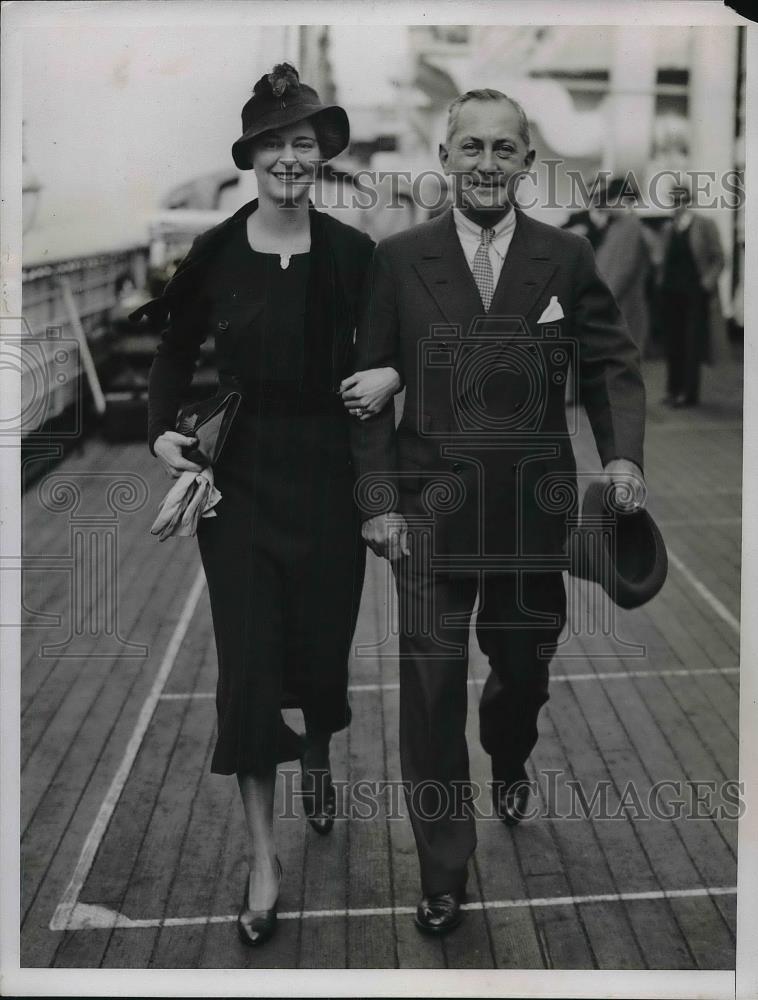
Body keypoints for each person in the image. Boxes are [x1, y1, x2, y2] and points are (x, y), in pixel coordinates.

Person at [350, 88, 646, 936]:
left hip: (531, 515)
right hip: (428, 519)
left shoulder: (567, 256)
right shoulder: (398, 258)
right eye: (470, 148)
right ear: (444, 158)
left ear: (526, 161)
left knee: (523, 673)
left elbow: (611, 364)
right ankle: (445, 869)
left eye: (503, 150)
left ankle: (510, 751)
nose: (486, 164)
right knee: (432, 690)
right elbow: (367, 389)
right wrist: (378, 505)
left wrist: (621, 453)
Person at [142, 63, 400, 948]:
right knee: (249, 667)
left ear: (319, 157)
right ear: (251, 155)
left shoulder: (354, 255)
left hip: (330, 477)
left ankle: (320, 742)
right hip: (242, 481)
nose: (291, 157)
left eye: (305, 142)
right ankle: (263, 858)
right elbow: (173, 354)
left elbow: (388, 356)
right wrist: (158, 433)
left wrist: (389, 383)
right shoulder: (213, 252)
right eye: (275, 143)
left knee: (319, 646)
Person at [658, 183, 725, 407]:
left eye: (680, 200)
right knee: (673, 342)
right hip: (671, 294)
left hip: (695, 294)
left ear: (688, 201)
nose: (676, 204)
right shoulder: (669, 229)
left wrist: (707, 283)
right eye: (673, 200)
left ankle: (688, 393)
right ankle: (673, 389)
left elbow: (719, 257)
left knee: (691, 343)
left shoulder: (704, 225)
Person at [592, 177, 651, 356]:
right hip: (614, 305)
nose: (607, 206)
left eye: (610, 200)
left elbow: (625, 268)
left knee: (623, 363)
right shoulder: (617, 226)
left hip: (624, 307)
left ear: (622, 200)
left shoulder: (631, 226)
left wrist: (605, 297)